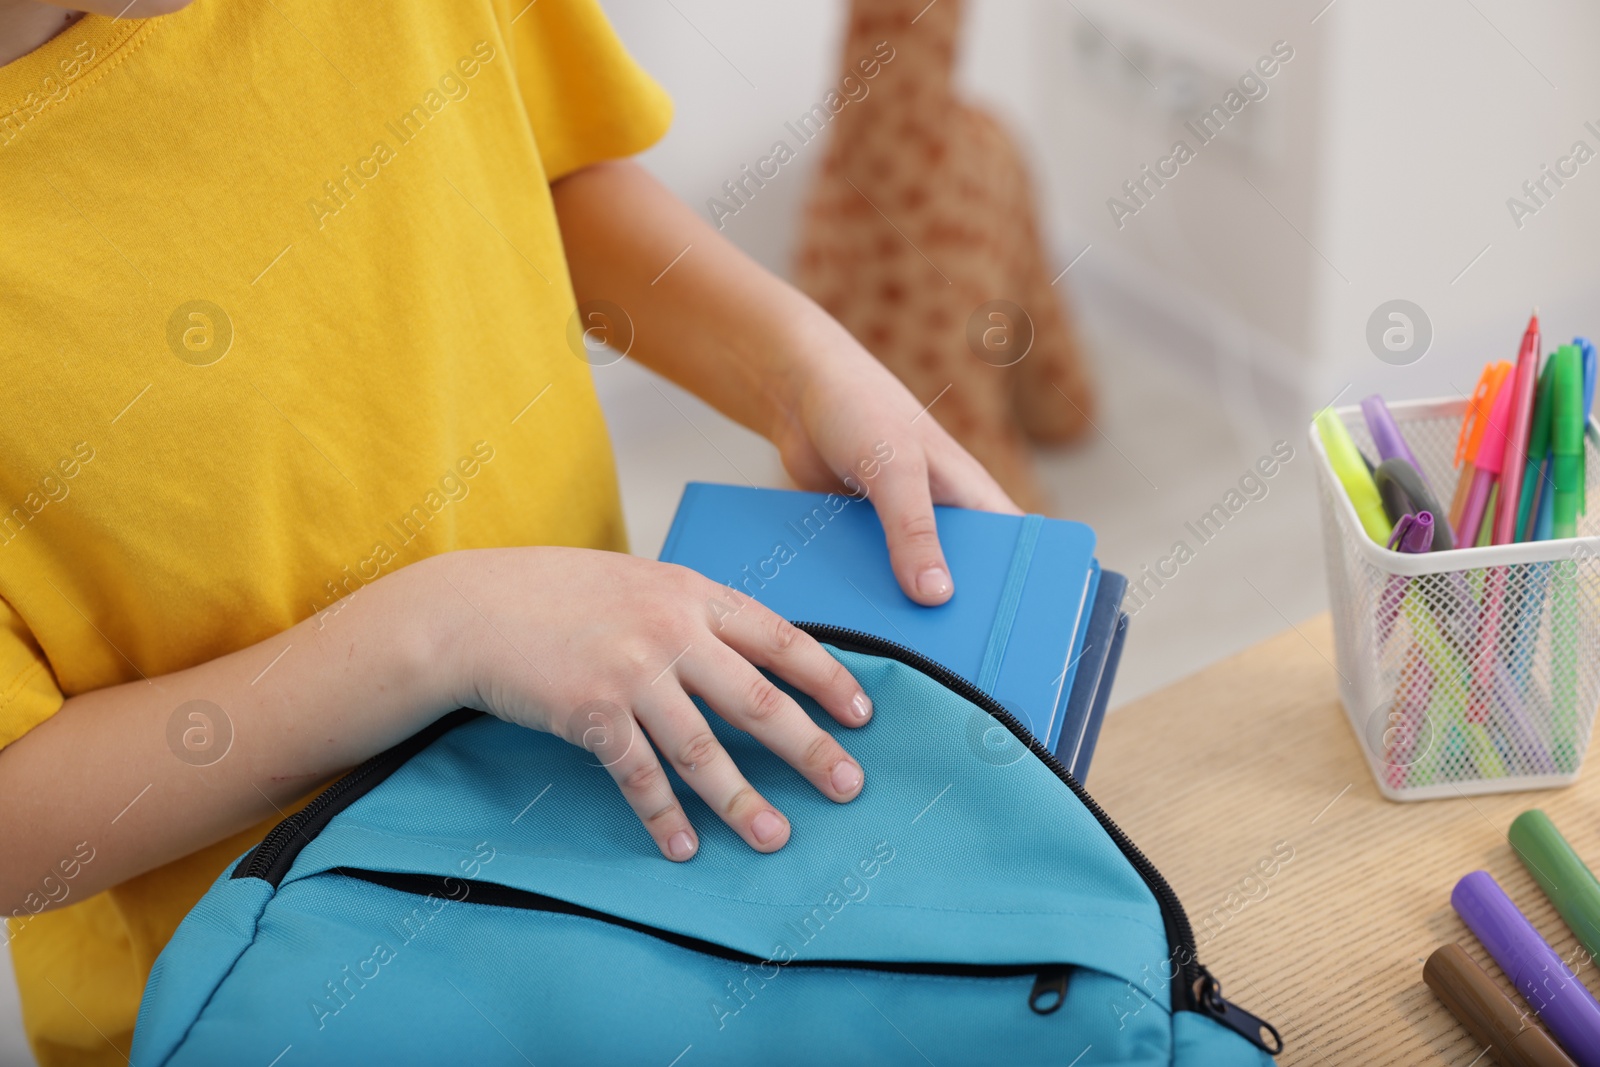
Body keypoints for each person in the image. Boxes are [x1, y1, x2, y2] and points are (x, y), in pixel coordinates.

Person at [0, 0, 1017, 1062]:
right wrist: (440, 634)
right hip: (273, 989)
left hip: (618, 830)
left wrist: (795, 364)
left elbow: (543, 168)